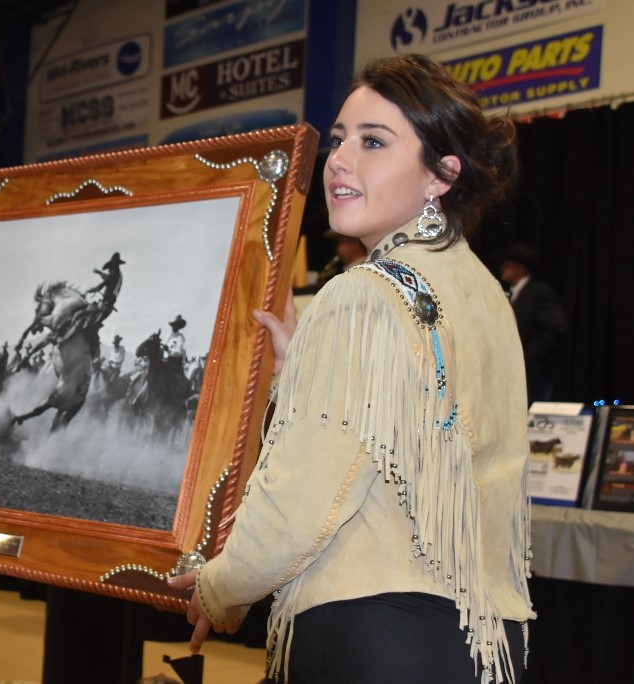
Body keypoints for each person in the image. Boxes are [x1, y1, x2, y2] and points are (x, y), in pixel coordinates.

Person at [169, 54, 534, 684]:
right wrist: (301, 369)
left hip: (376, 637)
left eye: (373, 142)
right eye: (338, 140)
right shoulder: (481, 292)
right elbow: (417, 435)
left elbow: (301, 501)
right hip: (485, 644)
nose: (340, 158)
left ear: (440, 175)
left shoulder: (362, 292)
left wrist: (221, 588)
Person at [500, 242, 567, 403]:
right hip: (514, 372)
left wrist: (529, 354)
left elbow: (557, 327)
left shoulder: (537, 292)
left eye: (508, 264)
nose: (503, 268)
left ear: (520, 268)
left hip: (533, 375)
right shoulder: (513, 293)